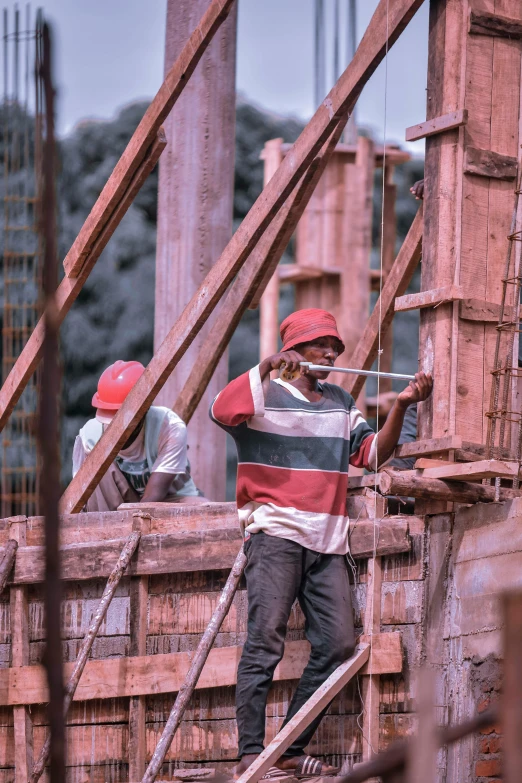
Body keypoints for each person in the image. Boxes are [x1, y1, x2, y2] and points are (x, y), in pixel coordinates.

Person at [210, 309, 432, 780]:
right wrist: (268, 366)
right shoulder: (263, 395)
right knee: (263, 641)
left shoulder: (339, 401)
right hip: (275, 537)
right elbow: (220, 411)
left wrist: (402, 405)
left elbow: (372, 455)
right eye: (319, 345)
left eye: (335, 346)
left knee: (337, 644)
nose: (330, 353)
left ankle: (288, 746)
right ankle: (250, 752)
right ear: (294, 350)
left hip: (327, 542)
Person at [73, 360, 203, 511]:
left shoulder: (169, 427)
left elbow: (154, 496)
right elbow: (80, 498)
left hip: (169, 500)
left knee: (205, 513)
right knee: (93, 464)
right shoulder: (89, 437)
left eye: (122, 421)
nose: (116, 428)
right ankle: (101, 530)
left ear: (144, 410)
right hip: (117, 506)